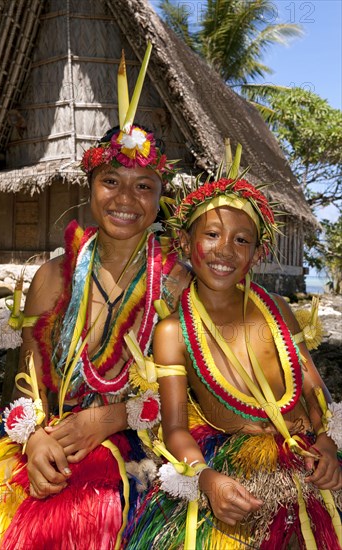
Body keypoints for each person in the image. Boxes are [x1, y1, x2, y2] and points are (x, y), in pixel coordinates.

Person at [0, 50, 191, 550]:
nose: (125, 198)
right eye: (110, 182)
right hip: (53, 435)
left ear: (160, 197)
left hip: (143, 442)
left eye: (143, 187)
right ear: (90, 186)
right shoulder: (51, 276)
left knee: (94, 514)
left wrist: (114, 417)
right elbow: (25, 382)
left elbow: (194, 392)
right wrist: (32, 439)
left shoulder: (178, 284)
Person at [125, 174, 342, 549]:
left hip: (308, 459)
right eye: (211, 235)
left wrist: (326, 441)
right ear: (184, 242)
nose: (224, 250)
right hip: (237, 472)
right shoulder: (172, 332)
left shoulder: (277, 309)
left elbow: (313, 388)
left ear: (257, 254)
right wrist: (207, 478)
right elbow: (175, 428)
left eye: (241, 240)